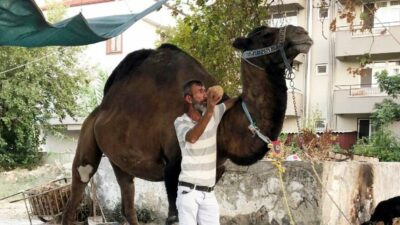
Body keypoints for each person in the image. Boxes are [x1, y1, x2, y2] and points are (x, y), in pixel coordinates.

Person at [174, 79, 237, 225]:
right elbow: (192, 138)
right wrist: (210, 109)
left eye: (205, 90)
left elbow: (233, 102)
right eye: (200, 92)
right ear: (189, 99)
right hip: (188, 192)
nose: (205, 95)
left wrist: (247, 92)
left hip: (209, 193)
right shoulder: (180, 122)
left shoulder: (214, 113)